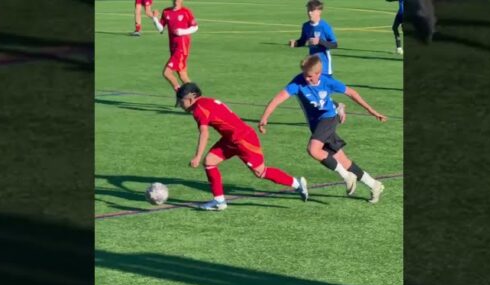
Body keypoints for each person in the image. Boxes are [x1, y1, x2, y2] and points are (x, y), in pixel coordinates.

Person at [258, 55, 388, 203]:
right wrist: (264, 117)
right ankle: (374, 184)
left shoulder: (327, 82)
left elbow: (352, 93)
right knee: (343, 161)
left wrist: (372, 111)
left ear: (318, 73)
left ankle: (347, 176)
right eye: (304, 75)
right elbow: (277, 99)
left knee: (313, 150)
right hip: (316, 125)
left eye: (309, 76)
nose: (306, 78)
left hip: (328, 118)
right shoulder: (298, 82)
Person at [176, 83, 309, 211]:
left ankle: (297, 183)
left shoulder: (199, 110)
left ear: (190, 98)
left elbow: (204, 133)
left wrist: (197, 156)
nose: (180, 105)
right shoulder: (206, 102)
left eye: (181, 102)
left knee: (261, 172)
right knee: (210, 161)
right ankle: (219, 201)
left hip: (244, 140)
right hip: (231, 139)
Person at [152, 0, 198, 91]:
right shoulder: (166, 11)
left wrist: (182, 32)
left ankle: (180, 94)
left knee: (167, 73)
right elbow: (161, 29)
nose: (176, 1)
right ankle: (196, 95)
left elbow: (195, 27)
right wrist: (155, 19)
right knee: (183, 75)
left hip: (182, 48)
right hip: (173, 47)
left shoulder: (186, 12)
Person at [289, 0, 338, 76]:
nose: (309, 13)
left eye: (312, 10)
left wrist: (320, 41)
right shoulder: (306, 26)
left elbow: (334, 44)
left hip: (324, 67)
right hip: (312, 65)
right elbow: (303, 41)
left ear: (319, 12)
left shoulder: (325, 27)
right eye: (308, 10)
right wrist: (296, 43)